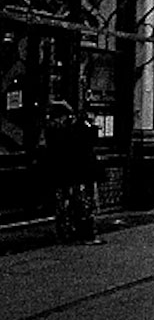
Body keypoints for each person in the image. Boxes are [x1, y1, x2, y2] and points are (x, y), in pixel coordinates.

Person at [44, 102, 102, 244]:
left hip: (62, 173)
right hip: (77, 173)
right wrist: (90, 126)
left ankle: (66, 233)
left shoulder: (52, 129)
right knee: (81, 204)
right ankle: (83, 234)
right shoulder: (73, 129)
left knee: (64, 204)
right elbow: (89, 142)